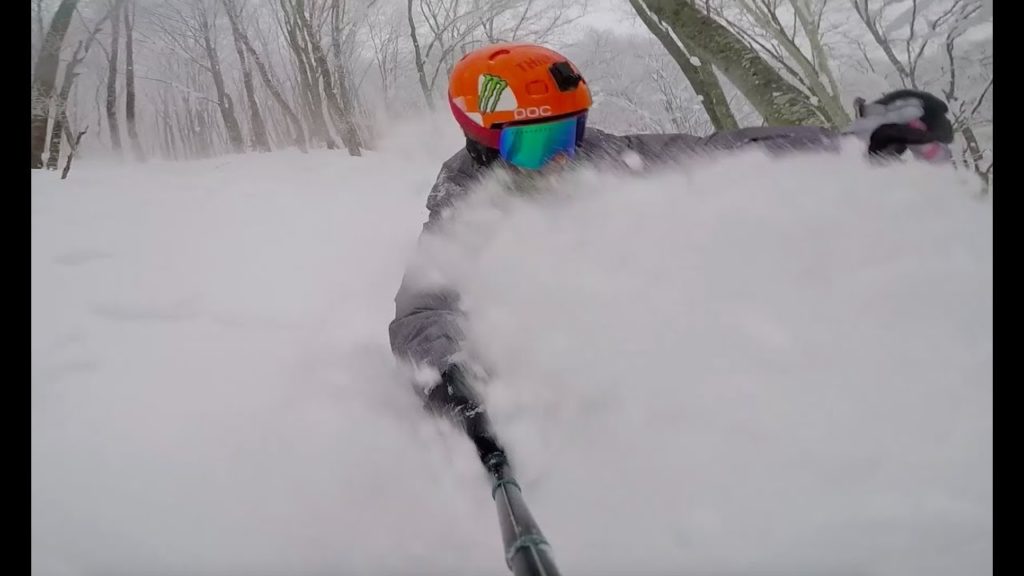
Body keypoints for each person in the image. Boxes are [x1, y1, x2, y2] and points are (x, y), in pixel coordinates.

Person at [388, 42, 954, 453]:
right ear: (483, 142)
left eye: (566, 133)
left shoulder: (604, 158)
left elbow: (730, 153)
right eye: (537, 142)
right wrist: (450, 372)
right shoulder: (466, 203)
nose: (560, 156)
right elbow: (427, 305)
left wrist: (852, 144)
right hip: (562, 369)